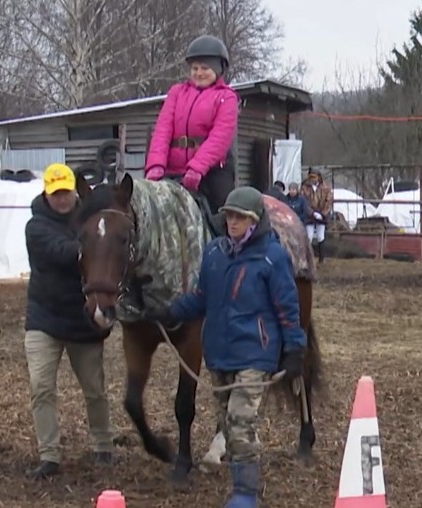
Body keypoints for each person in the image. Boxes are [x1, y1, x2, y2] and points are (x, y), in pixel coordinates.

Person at [154, 187, 307, 508]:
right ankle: (242, 482)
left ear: (255, 221)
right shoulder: (213, 253)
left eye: (240, 217)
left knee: (240, 422)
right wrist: (172, 312)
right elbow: (201, 297)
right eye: (229, 216)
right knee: (228, 422)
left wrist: (295, 349)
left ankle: (245, 495)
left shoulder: (272, 256)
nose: (232, 222)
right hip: (219, 354)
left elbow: (287, 307)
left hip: (255, 353)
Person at [23, 163, 115, 479]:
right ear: (47, 194)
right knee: (41, 387)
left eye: (66, 192)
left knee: (94, 389)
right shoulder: (36, 227)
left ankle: (104, 445)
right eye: (56, 193)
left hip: (82, 320)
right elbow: (61, 252)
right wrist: (96, 246)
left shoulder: (91, 218)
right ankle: (49, 455)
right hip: (44, 319)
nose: (62, 199)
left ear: (75, 191)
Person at [144, 35, 239, 223]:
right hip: (172, 170)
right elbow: (163, 130)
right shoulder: (176, 93)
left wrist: (197, 168)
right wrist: (155, 165)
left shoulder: (227, 98)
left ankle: (227, 248)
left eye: (205, 68)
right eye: (195, 68)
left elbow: (219, 138)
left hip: (211, 171)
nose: (198, 73)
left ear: (218, 69)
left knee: (225, 214)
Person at [300, 167, 333, 263]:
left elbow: (329, 201)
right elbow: (303, 201)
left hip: (321, 215)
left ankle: (322, 258)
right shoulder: (304, 187)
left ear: (319, 177)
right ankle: (308, 259)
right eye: (311, 177)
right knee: (309, 237)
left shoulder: (326, 188)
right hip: (310, 215)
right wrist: (312, 213)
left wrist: (323, 213)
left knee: (320, 236)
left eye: (314, 177)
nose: (312, 179)